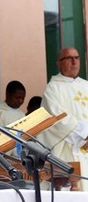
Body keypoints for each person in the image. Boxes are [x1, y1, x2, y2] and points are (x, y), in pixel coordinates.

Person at [40, 47, 88, 190]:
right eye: (69, 58)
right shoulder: (52, 88)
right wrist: (85, 134)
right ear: (59, 63)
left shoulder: (86, 85)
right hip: (68, 149)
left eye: (77, 58)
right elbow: (56, 118)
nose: (74, 62)